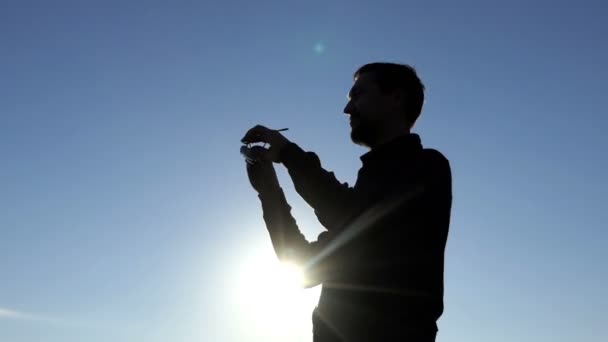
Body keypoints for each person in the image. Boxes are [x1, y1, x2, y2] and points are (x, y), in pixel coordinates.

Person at [242, 62, 452, 341]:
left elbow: (349, 213)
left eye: (358, 95)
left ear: (396, 98)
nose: (347, 109)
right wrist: (269, 191)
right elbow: (303, 266)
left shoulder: (427, 169)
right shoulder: (368, 197)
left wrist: (287, 152)